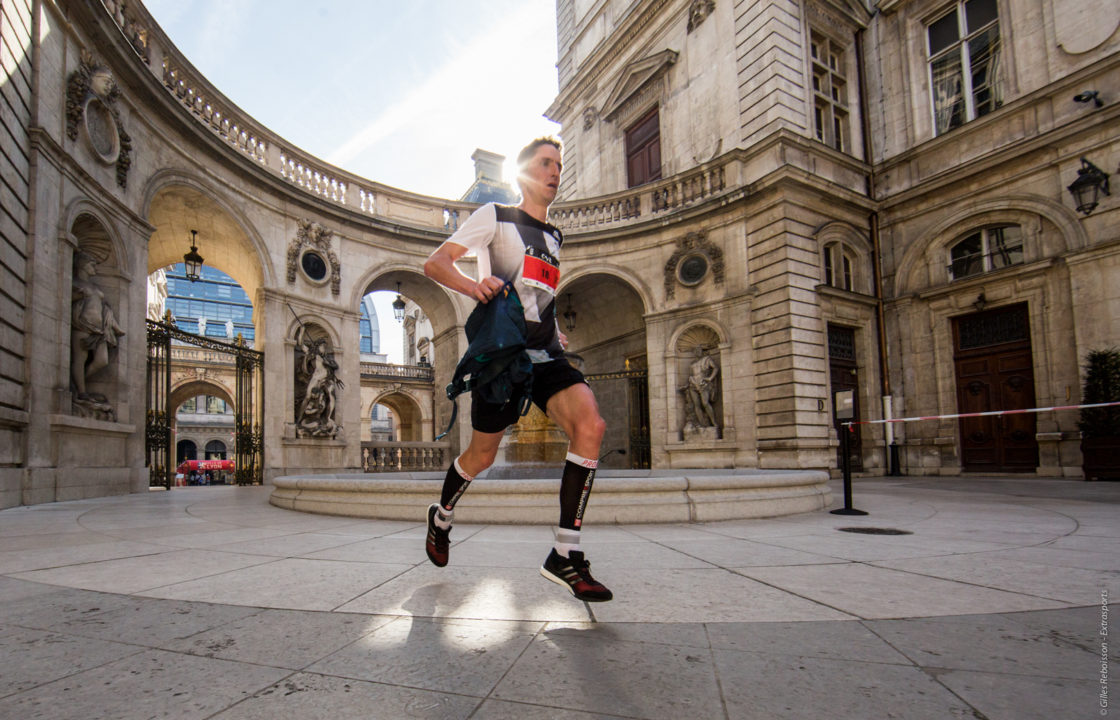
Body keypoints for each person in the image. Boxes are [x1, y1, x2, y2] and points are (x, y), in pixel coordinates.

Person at [422, 137, 612, 602]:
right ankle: (442, 515)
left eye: (559, 166)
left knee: (591, 426)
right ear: (526, 173)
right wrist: (475, 284)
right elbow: (435, 264)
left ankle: (565, 553)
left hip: (545, 352)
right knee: (482, 456)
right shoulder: (495, 216)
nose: (555, 172)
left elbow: (539, 295)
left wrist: (553, 329)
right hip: (504, 356)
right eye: (546, 164)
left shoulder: (554, 237)